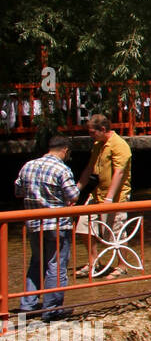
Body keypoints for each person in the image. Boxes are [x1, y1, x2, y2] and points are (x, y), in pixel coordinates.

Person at [13, 135, 80, 321]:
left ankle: (27, 306)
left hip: (34, 223)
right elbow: (73, 195)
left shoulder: (28, 166)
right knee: (56, 266)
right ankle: (51, 310)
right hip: (58, 223)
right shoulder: (62, 169)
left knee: (36, 262)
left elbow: (18, 191)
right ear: (65, 150)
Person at [75, 114, 132, 279]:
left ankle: (122, 265)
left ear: (103, 129)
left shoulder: (119, 145)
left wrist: (109, 198)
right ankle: (94, 261)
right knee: (83, 226)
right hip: (97, 193)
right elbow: (89, 168)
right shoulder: (98, 145)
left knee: (115, 231)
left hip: (115, 196)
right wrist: (77, 190)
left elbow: (119, 172)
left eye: (92, 132)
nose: (90, 135)